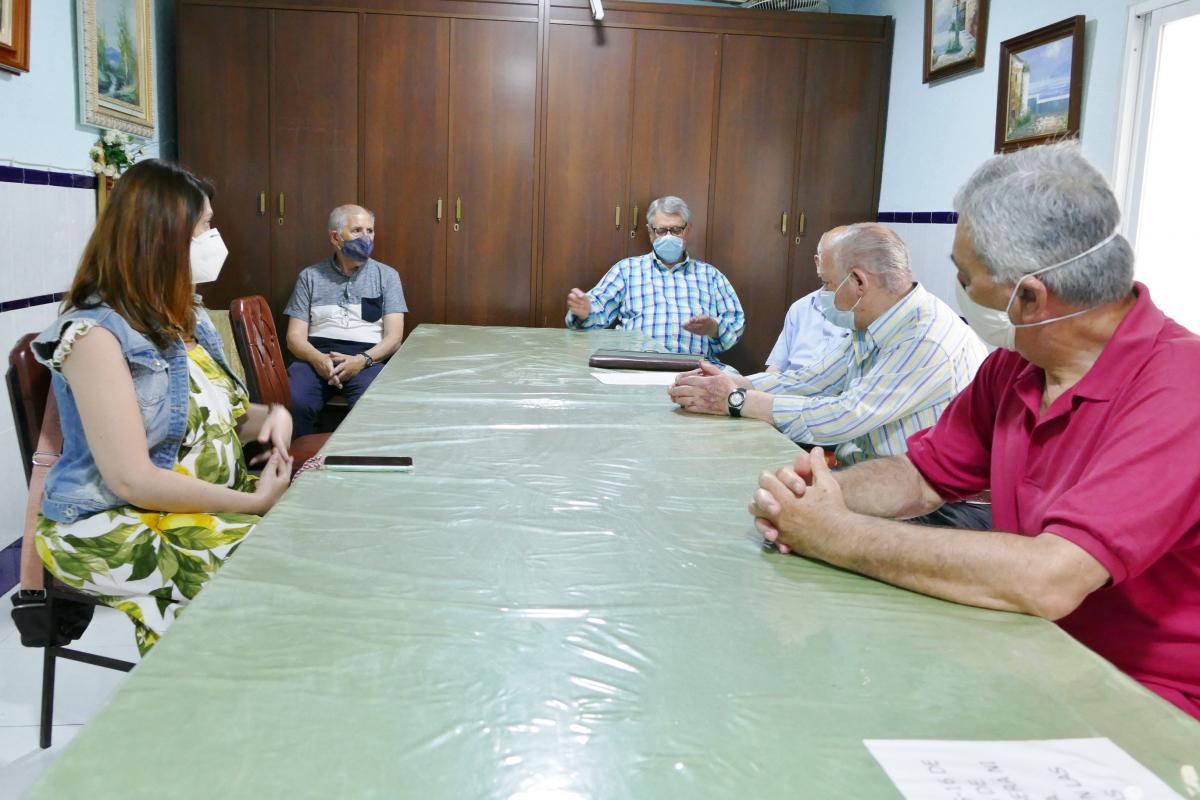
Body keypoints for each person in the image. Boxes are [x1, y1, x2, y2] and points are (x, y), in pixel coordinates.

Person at [749, 142, 1200, 721]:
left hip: (1148, 705)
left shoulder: (1179, 388)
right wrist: (808, 497)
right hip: (1027, 654)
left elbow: (1050, 578)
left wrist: (835, 533)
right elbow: (921, 477)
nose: (955, 291)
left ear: (1030, 296)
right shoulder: (1015, 368)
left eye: (965, 277)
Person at [30, 159, 294, 654]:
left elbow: (220, 417)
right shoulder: (94, 336)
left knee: (310, 544)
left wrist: (270, 417)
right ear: (162, 240)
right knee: (269, 570)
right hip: (114, 519)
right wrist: (255, 504)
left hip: (196, 502)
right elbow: (133, 479)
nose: (215, 239)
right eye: (206, 227)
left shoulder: (186, 317)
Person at [670, 223, 986, 472]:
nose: (823, 296)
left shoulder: (926, 339)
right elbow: (813, 379)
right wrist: (736, 384)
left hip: (925, 505)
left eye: (829, 284)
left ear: (860, 282)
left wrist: (737, 400)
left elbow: (845, 415)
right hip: (868, 475)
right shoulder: (874, 322)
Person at [565, 196, 745, 362]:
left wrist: (714, 329)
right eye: (661, 230)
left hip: (695, 370)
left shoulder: (711, 276)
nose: (668, 237)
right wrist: (585, 312)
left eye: (676, 230)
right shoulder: (627, 270)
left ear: (687, 230)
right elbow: (596, 310)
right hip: (636, 367)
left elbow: (735, 324)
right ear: (650, 232)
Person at [284, 204, 407, 437]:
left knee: (373, 406)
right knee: (293, 401)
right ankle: (297, 469)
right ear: (336, 237)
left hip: (368, 359)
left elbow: (394, 338)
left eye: (370, 231)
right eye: (357, 231)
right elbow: (294, 337)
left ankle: (363, 470)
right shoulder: (309, 277)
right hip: (317, 357)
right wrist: (318, 359)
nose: (366, 237)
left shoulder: (387, 276)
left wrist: (361, 360)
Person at [766, 226, 850, 373]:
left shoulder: (862, 313)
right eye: (835, 259)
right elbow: (776, 367)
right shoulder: (800, 308)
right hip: (787, 389)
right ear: (818, 262)